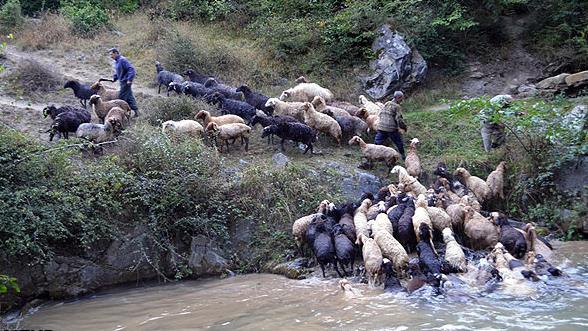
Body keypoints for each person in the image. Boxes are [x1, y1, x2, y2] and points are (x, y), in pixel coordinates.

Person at [374, 91, 407, 160]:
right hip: (391, 129)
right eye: (401, 98)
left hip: (381, 127)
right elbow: (399, 119)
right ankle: (403, 156)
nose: (402, 100)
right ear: (398, 98)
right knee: (398, 142)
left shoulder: (387, 103)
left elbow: (381, 113)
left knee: (377, 143)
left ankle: (375, 156)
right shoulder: (397, 106)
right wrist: (404, 127)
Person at [108, 48, 139, 117]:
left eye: (112, 54)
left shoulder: (122, 60)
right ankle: (136, 112)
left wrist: (129, 79)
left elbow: (131, 69)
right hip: (122, 82)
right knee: (129, 97)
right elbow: (118, 71)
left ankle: (122, 114)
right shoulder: (116, 61)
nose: (111, 56)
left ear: (116, 53)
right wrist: (115, 78)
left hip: (125, 82)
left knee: (121, 98)